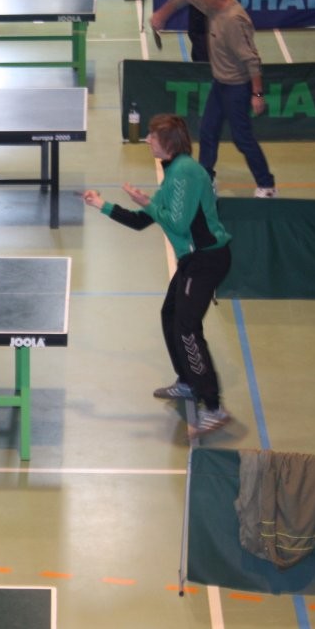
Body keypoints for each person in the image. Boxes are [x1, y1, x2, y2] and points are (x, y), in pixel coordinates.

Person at [81, 114, 233, 435]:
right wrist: (101, 204)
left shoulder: (184, 173)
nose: (148, 139)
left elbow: (176, 223)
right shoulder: (174, 172)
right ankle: (188, 381)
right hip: (193, 260)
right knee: (171, 315)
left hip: (206, 260)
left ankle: (214, 407)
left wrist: (147, 202)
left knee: (187, 329)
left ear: (168, 143)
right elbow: (141, 221)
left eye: (153, 135)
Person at [151, 0, 276, 197]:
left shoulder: (233, 21)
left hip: (237, 86)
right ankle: (206, 180)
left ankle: (266, 186)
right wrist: (161, 14)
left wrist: (257, 94)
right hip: (220, 83)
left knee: (242, 138)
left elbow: (251, 59)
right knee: (208, 132)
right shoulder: (212, 4)